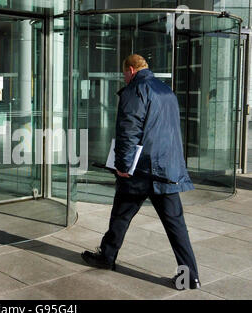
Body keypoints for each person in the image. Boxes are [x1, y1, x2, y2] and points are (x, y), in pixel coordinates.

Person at [81, 54, 201, 290]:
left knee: (121, 215)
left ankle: (107, 256)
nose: (124, 78)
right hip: (166, 170)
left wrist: (123, 166)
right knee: (175, 225)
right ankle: (190, 276)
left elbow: (129, 130)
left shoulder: (135, 90)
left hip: (142, 170)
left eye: (124, 73)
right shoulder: (166, 91)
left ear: (132, 70)